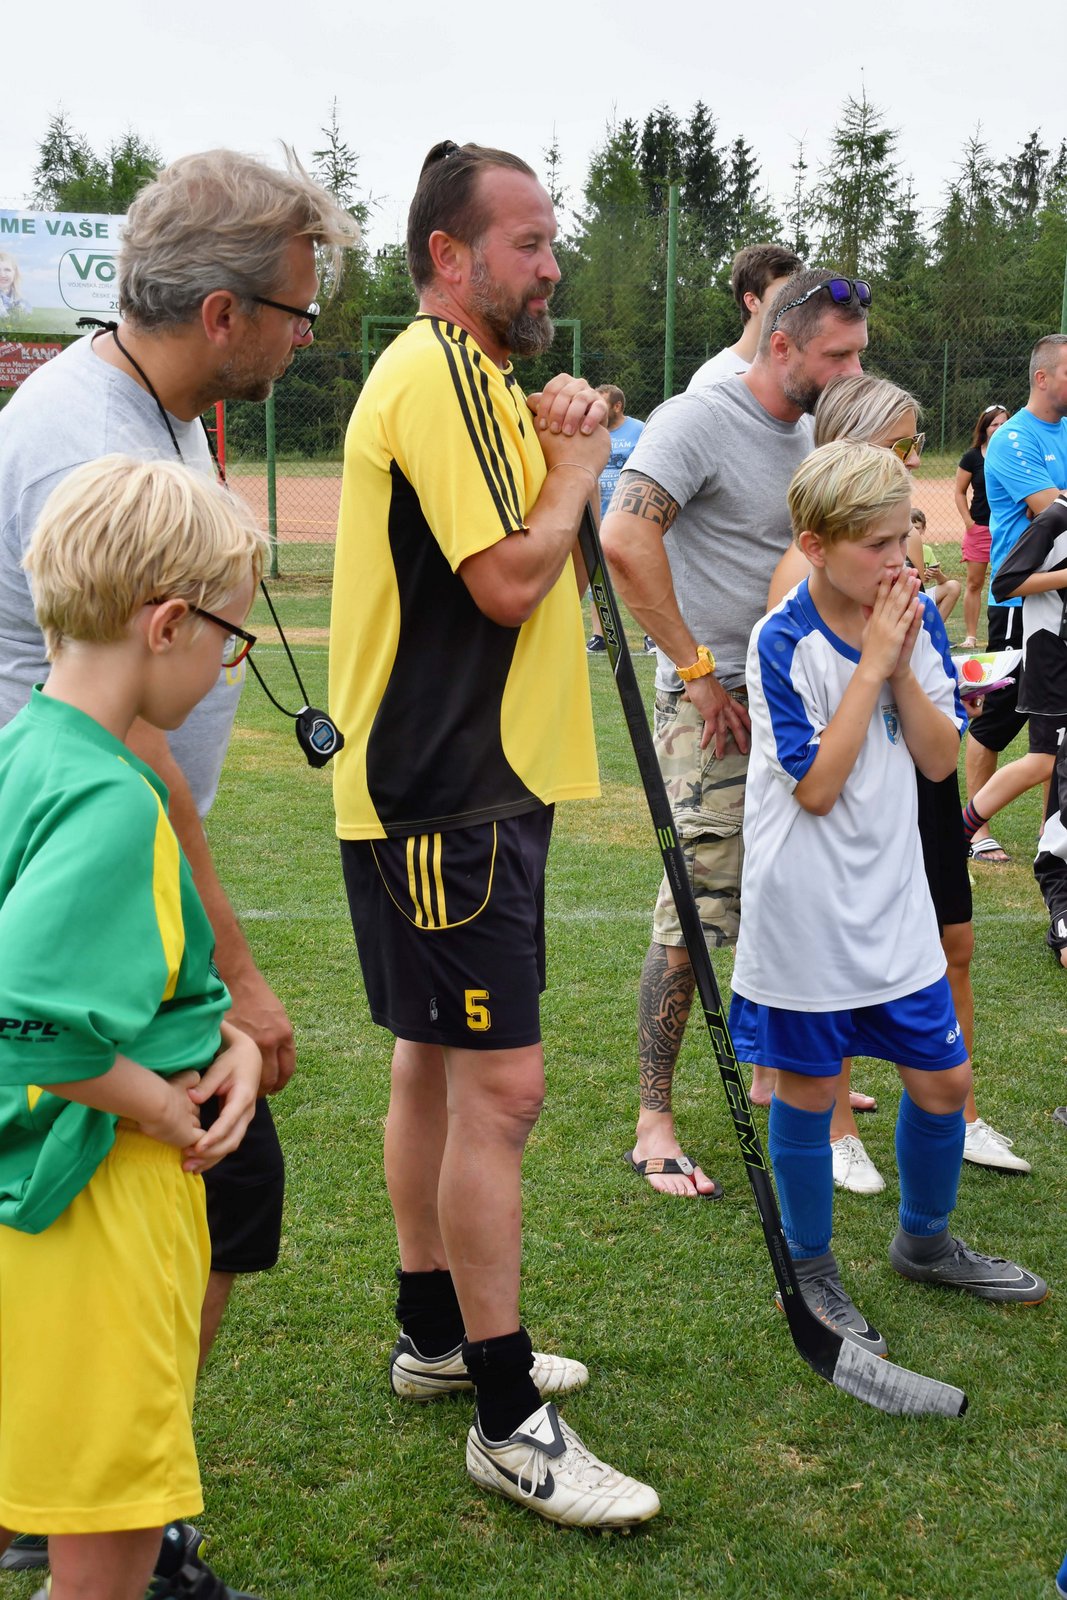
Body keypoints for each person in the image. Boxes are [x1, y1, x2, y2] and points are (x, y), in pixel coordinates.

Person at [0, 147, 359, 1596]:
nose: (303, 337)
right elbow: (33, 1006)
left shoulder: (151, 417)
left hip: (110, 921)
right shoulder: (89, 442)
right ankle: (94, 1508)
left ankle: (92, 1491)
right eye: (297, 311)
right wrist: (230, 997)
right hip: (106, 952)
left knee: (228, 1188)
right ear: (222, 312)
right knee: (211, 1167)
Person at [329, 139, 660, 1530]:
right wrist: (576, 460)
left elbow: (532, 508)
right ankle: (507, 1415)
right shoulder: (438, 373)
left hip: (460, 781)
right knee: (500, 1093)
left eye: (548, 240)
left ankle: (434, 1336)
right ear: (449, 257)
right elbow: (513, 577)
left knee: (430, 1061)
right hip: (449, 788)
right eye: (526, 243)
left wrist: (563, 423)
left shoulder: (474, 379)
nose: (550, 266)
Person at [0, 456, 264, 1600]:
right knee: (104, 1544)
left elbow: (122, 982)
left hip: (37, 1197)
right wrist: (164, 1104)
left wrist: (227, 1042)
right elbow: (25, 1017)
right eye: (229, 640)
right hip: (102, 1201)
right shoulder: (114, 798)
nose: (224, 668)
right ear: (167, 625)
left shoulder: (28, 746)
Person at [728, 439, 1046, 1353]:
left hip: (893, 896)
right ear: (814, 545)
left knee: (944, 1081)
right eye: (875, 546)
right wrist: (870, 664)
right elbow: (816, 789)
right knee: (807, 1088)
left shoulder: (911, 619)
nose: (898, 561)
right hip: (804, 913)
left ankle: (925, 1242)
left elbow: (940, 761)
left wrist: (902, 660)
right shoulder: (781, 639)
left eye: (902, 539)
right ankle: (809, 1265)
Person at [601, 269, 869, 1197]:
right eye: (837, 356)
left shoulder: (811, 431)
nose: (851, 372)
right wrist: (698, 672)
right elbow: (623, 540)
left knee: (785, 889)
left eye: (859, 356)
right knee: (694, 902)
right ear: (780, 343)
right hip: (711, 703)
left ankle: (771, 1070)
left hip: (791, 697)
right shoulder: (697, 419)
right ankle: (654, 1119)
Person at [770, 375, 1030, 1188]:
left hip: (918, 779)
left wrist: (929, 646)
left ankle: (960, 1111)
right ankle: (835, 1125)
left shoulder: (894, 554)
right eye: (902, 445)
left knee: (954, 941)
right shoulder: (805, 574)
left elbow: (928, 714)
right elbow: (808, 734)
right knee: (836, 963)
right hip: (846, 798)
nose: (915, 461)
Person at [965, 337, 1067, 867]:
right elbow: (1051, 508)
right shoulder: (1013, 438)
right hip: (1019, 603)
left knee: (1055, 731)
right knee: (997, 720)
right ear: (1042, 378)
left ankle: (1055, 833)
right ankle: (973, 829)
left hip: (1060, 605)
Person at [990, 492, 1067, 967]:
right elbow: (1005, 582)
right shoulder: (1055, 518)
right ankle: (966, 829)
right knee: (1045, 762)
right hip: (1051, 662)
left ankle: (1050, 846)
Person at [686, 243, 802, 391]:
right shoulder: (711, 380)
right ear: (752, 302)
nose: (798, 305)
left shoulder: (802, 371)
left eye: (800, 296)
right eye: (785, 296)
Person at [586, 384, 646, 653]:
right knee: (597, 574)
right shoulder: (592, 432)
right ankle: (599, 635)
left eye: (602, 405)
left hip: (629, 517)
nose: (596, 410)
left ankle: (649, 636)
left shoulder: (639, 430)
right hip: (598, 515)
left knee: (639, 574)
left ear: (617, 406)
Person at [955, 404, 1009, 648]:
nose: (999, 428)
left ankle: (1006, 629)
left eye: (1003, 423)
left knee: (1007, 579)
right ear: (984, 428)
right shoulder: (973, 457)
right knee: (975, 583)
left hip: (1007, 529)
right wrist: (969, 523)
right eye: (994, 424)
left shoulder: (1016, 452)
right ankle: (971, 636)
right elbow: (959, 491)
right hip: (980, 529)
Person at [910, 507, 960, 625]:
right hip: (905, 594)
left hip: (921, 593)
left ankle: (935, 629)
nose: (913, 532)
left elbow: (943, 581)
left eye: (917, 528)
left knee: (954, 586)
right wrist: (920, 577)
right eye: (910, 528)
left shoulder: (926, 550)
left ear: (923, 530)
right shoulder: (899, 548)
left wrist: (937, 574)